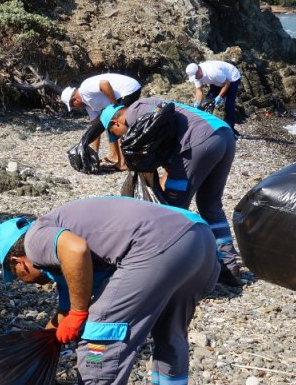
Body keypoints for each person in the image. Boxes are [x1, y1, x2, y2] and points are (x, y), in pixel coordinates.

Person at [0, 197, 219, 385]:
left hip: (160, 246)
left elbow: (76, 250)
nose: (24, 281)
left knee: (100, 346)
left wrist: (78, 314)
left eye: (15, 276)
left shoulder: (36, 239)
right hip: (200, 242)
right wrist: (31, 353)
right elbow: (65, 312)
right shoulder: (62, 259)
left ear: (19, 263)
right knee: (170, 336)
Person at [102, 99, 242, 287]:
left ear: (115, 123)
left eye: (115, 135)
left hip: (199, 142)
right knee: (210, 204)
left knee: (174, 210)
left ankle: (179, 266)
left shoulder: (136, 111)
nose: (120, 138)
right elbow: (169, 142)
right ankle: (229, 264)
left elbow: (163, 119)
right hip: (223, 135)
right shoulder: (148, 105)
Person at [60, 73, 142, 167]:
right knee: (107, 122)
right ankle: (114, 155)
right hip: (124, 93)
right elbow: (96, 127)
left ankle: (123, 163)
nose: (76, 108)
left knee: (116, 123)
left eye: (73, 106)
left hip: (129, 89)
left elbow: (104, 84)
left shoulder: (85, 89)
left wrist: (114, 106)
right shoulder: (89, 105)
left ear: (75, 100)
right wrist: (95, 153)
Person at [186, 60, 242, 134]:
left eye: (196, 76)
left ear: (199, 70)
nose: (196, 78)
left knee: (229, 104)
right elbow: (199, 90)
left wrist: (219, 96)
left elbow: (227, 84)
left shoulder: (212, 72)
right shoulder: (196, 76)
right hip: (217, 81)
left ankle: (231, 130)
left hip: (232, 78)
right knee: (208, 101)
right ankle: (208, 126)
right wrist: (198, 102)